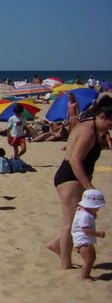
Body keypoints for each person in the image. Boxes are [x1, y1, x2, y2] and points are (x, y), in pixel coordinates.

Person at [46, 96, 112, 269]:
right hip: (70, 178)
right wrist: (89, 188)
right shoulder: (88, 131)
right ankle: (65, 264)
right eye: (110, 123)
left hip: (73, 177)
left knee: (83, 218)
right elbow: (75, 160)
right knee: (71, 223)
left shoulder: (88, 123)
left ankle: (55, 245)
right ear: (102, 116)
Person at [71, 189, 105, 281]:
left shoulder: (83, 211)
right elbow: (86, 230)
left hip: (85, 240)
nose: (98, 209)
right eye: (97, 207)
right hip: (83, 240)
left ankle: (86, 275)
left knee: (91, 258)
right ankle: (85, 276)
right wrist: (98, 234)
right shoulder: (84, 215)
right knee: (89, 259)